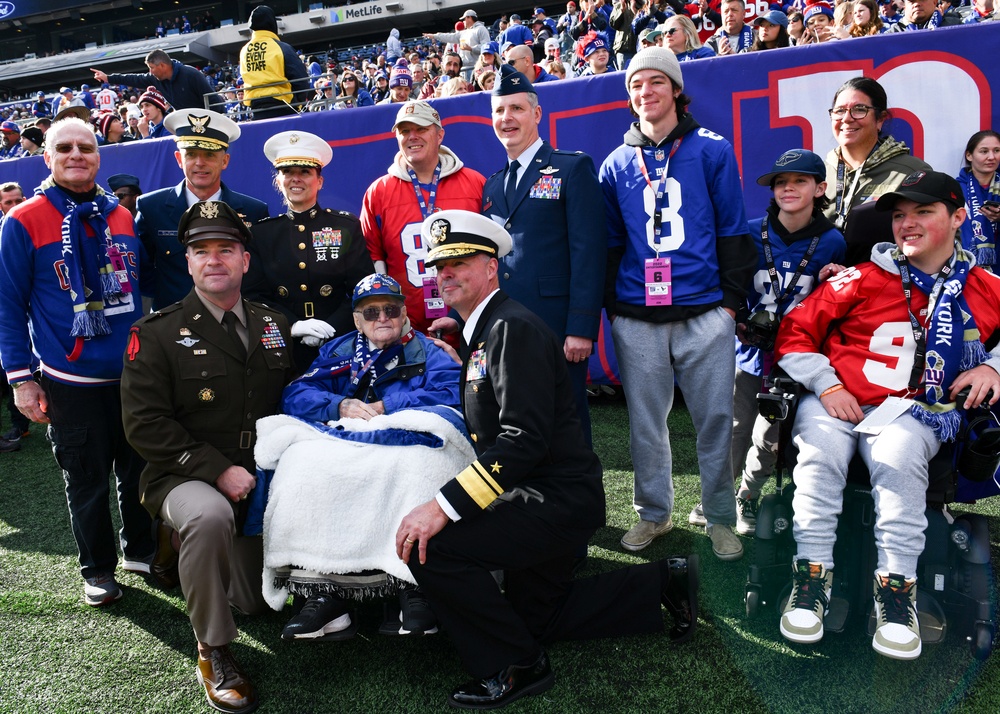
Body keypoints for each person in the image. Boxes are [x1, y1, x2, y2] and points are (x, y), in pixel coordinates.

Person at [398, 209, 699, 710]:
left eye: (459, 262)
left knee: (434, 549)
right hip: (542, 497)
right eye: (439, 265)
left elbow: (521, 440)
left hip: (552, 502)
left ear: (491, 266)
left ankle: (514, 666)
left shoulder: (510, 328)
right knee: (535, 619)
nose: (445, 273)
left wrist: (443, 506)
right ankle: (662, 581)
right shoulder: (488, 327)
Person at [774, 170, 1000, 660]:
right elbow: (793, 333)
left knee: (898, 461)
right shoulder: (862, 276)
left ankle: (897, 596)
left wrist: (992, 365)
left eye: (923, 212)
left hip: (912, 408)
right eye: (899, 215)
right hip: (837, 400)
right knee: (818, 456)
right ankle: (810, 582)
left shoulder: (983, 285)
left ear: (958, 217)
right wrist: (826, 383)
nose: (906, 224)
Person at [121, 200, 295, 713]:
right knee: (207, 514)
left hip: (259, 478)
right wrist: (217, 470)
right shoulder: (154, 333)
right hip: (182, 476)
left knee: (256, 603)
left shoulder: (273, 322)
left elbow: (302, 391)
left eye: (226, 249)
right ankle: (214, 649)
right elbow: (143, 425)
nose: (213, 259)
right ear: (188, 261)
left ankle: (200, 561)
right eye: (201, 251)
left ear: (245, 260)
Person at [600, 47, 756, 559]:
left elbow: (733, 231)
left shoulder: (711, 148)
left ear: (675, 90)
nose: (645, 92)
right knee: (646, 423)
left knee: (714, 420)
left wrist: (729, 304)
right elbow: (610, 242)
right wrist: (614, 307)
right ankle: (654, 513)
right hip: (638, 314)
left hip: (703, 308)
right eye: (636, 85)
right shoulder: (617, 162)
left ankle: (718, 517)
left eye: (655, 82)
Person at [0, 117, 154, 606]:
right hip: (71, 380)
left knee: (140, 472)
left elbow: (143, 291)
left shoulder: (122, 216)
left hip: (132, 377)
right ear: (46, 157)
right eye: (63, 147)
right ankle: (99, 570)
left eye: (85, 147)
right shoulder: (22, 219)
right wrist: (22, 380)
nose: (75, 154)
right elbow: (7, 304)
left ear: (98, 156)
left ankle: (142, 552)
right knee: (86, 480)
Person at [272, 273, 462, 640]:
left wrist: (386, 406)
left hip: (408, 444)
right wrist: (338, 403)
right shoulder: (338, 351)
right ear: (357, 320)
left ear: (404, 313)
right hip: (349, 444)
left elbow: (452, 390)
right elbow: (296, 394)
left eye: (391, 309)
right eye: (371, 312)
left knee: (418, 466)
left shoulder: (429, 349)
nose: (382, 319)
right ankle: (324, 592)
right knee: (303, 466)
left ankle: (414, 587)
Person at [468, 65, 606, 443]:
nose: (506, 118)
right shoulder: (493, 184)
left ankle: (579, 500)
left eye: (516, 109)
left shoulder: (571, 168)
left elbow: (589, 251)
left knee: (568, 426)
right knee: (517, 425)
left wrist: (581, 327)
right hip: (507, 327)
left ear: (537, 114)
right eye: (499, 111)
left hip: (557, 327)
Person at [731, 150, 845, 536]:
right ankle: (716, 497)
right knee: (732, 428)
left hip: (796, 358)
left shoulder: (833, 241)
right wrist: (739, 321)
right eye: (781, 182)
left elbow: (839, 305)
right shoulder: (749, 231)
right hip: (748, 353)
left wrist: (838, 279)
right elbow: (727, 287)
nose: (789, 188)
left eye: (799, 181)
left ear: (820, 188)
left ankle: (746, 495)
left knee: (770, 437)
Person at [244, 131, 374, 370]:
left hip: (341, 343)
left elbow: (362, 288)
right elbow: (254, 296)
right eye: (287, 172)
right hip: (283, 347)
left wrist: (331, 326)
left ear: (320, 181)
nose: (296, 179)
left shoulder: (344, 226)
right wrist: (292, 325)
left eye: (304, 172)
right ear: (278, 181)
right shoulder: (261, 234)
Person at [362, 101, 486, 339]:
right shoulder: (378, 192)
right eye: (405, 131)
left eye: (421, 129)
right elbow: (373, 257)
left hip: (470, 323)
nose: (412, 137)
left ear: (440, 135)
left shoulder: (474, 183)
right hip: (406, 329)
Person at [135, 108, 268, 311]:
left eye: (209, 154)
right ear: (179, 159)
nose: (199, 163)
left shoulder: (254, 211)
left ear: (224, 161)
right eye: (191, 154)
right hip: (172, 324)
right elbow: (142, 271)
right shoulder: (151, 207)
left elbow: (258, 275)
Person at [823, 76, 930, 237]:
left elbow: (939, 237)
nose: (846, 118)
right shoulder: (819, 173)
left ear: (880, 119)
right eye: (840, 111)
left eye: (859, 109)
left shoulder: (912, 172)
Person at [92, 50, 222, 112]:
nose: (150, 72)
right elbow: (134, 79)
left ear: (162, 66)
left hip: (206, 122)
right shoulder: (155, 79)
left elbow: (214, 102)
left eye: (152, 68)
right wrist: (108, 78)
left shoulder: (191, 74)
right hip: (185, 124)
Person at [0, 181, 30, 452]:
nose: (14, 205)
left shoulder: (32, 226)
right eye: (8, 202)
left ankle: (21, 426)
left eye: (18, 199)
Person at [239, 5, 309, 119]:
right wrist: (298, 103)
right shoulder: (282, 47)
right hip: (283, 107)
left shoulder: (244, 50)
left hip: (255, 108)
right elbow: (301, 79)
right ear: (272, 24)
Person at [957, 130, 1000, 271]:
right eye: (984, 151)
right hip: (965, 266)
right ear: (969, 155)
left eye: (997, 150)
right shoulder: (953, 188)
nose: (991, 157)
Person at [423, 10, 491, 78]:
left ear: (469, 17)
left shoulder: (481, 29)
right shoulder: (464, 33)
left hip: (478, 68)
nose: (463, 21)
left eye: (464, 19)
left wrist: (471, 48)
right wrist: (435, 36)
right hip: (464, 69)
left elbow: (486, 47)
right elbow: (449, 36)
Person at [888, 0, 963, 30]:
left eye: (922, 0)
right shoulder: (892, 35)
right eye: (911, 1)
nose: (917, 4)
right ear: (905, 8)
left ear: (934, 2)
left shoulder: (955, 27)